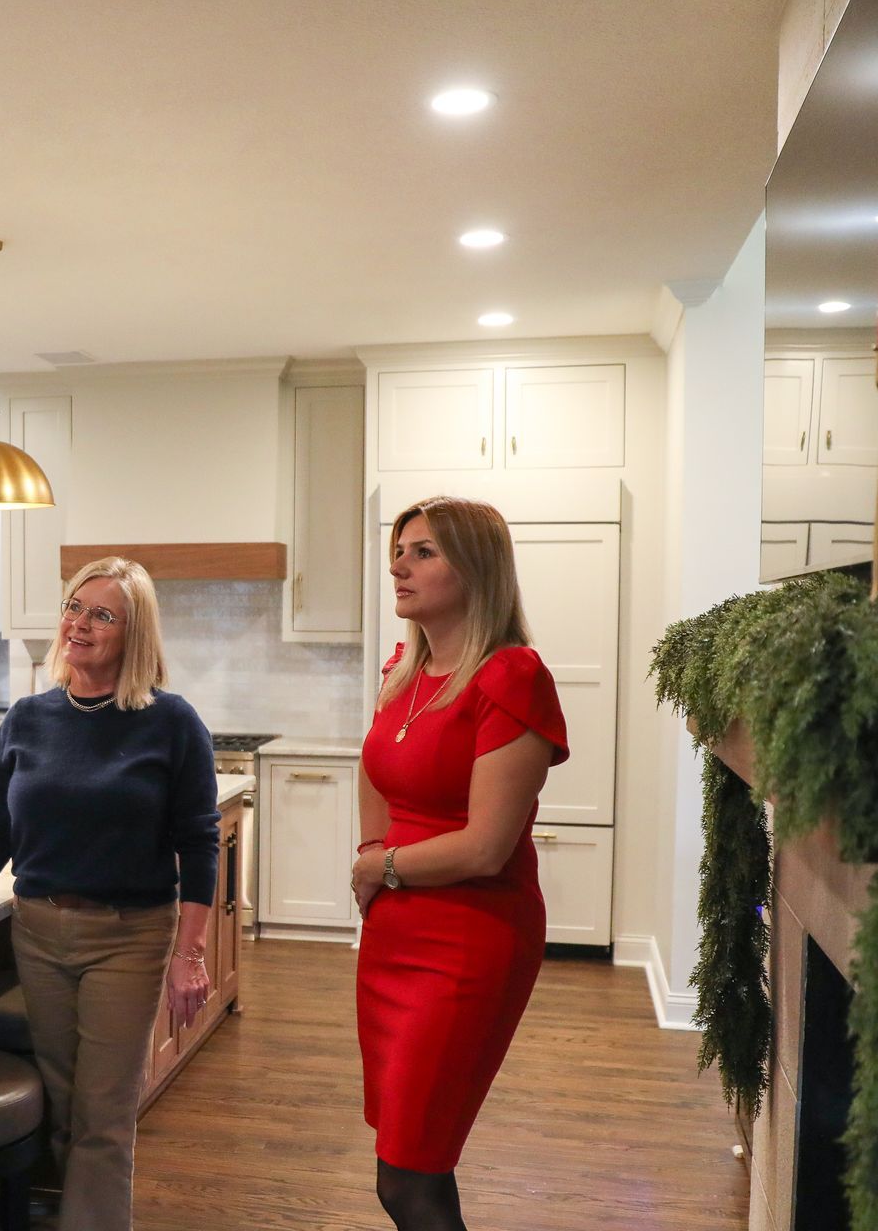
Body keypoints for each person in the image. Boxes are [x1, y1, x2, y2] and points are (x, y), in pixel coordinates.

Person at [0, 556, 218, 1231]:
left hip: (130, 933)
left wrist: (190, 954)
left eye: (101, 614)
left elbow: (199, 845)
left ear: (133, 633)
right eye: (73, 607)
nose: (78, 623)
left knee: (104, 1116)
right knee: (62, 1102)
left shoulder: (171, 723)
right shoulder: (29, 718)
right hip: (39, 929)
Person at [351, 496, 569, 1231]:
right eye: (398, 550)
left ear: (475, 568)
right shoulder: (402, 668)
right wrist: (367, 852)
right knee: (402, 1164)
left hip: (468, 940)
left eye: (422, 552)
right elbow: (374, 768)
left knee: (409, 1176)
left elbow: (486, 845)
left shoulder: (511, 676)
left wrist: (384, 869)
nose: (397, 565)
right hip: (394, 933)